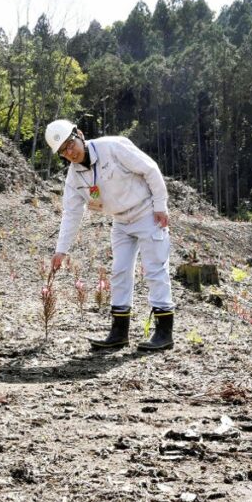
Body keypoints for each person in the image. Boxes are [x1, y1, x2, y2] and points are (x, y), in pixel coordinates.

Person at [46, 119, 175, 351]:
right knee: (119, 271)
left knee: (155, 269)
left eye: (70, 144)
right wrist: (61, 250)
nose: (69, 152)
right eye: (63, 151)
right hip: (120, 221)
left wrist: (160, 205)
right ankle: (119, 333)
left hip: (147, 213)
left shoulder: (113, 147)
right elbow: (71, 214)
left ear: (80, 135)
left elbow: (150, 169)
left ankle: (164, 333)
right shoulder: (75, 178)